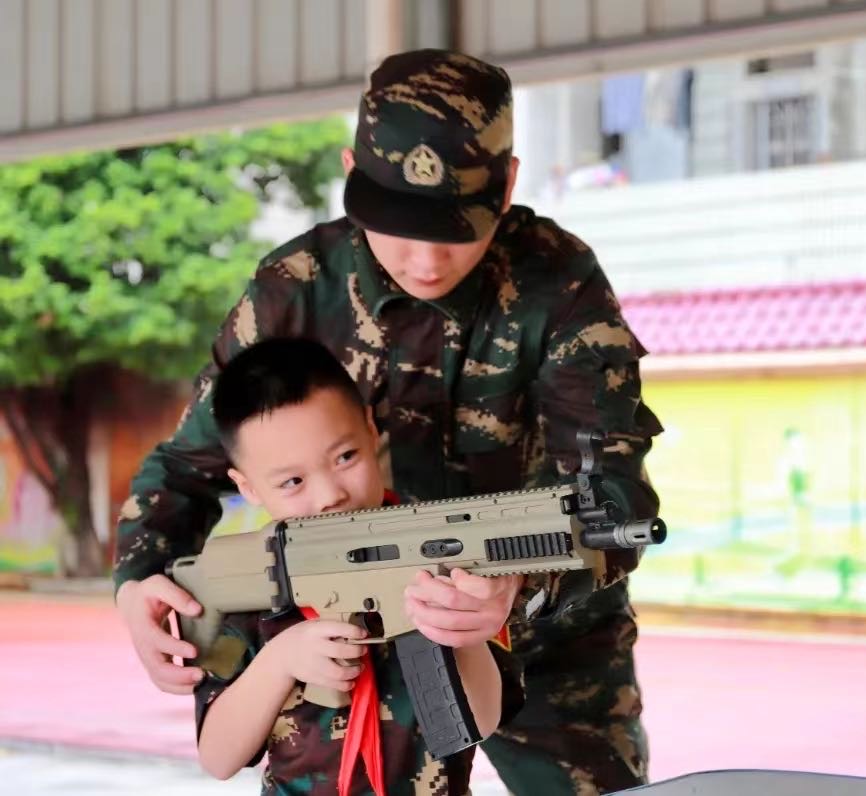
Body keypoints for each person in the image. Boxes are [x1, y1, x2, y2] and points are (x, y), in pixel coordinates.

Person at [114, 48, 663, 795]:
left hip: (547, 634)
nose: (426, 261)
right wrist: (137, 582)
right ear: (352, 173)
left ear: (507, 184)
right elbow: (187, 466)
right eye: (398, 224)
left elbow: (616, 497)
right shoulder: (296, 292)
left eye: (457, 228)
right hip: (339, 628)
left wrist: (519, 585)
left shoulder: (559, 283)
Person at [195, 337, 522, 795]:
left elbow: (482, 721)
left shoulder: (442, 547)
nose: (330, 495)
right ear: (247, 487)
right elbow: (218, 757)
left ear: (370, 429)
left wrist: (461, 628)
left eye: (344, 457)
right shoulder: (249, 582)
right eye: (292, 481)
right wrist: (280, 659)